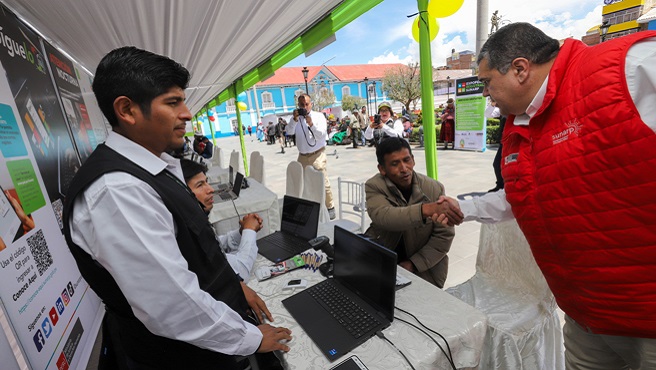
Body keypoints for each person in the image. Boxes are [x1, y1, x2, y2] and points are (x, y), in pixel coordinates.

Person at [436, 23, 656, 369]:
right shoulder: (519, 123)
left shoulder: (627, 67)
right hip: (585, 317)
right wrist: (465, 207)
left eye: (487, 82)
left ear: (520, 69)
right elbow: (523, 194)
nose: (485, 94)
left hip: (647, 321)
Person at [62, 46, 291, 369]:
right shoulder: (117, 191)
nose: (187, 113)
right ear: (127, 110)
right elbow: (172, 305)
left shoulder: (153, 167)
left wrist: (235, 287)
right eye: (172, 102)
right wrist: (251, 338)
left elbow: (192, 251)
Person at [364, 138, 458, 288]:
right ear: (382, 169)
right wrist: (425, 210)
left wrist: (413, 264)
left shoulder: (434, 188)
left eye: (407, 160)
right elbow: (384, 217)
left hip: (425, 269)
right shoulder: (375, 186)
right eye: (395, 164)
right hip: (384, 263)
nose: (404, 169)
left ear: (413, 160)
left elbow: (443, 236)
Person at [180, 159, 260, 281]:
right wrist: (250, 230)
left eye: (207, 182)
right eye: (200, 185)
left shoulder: (192, 222)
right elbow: (241, 270)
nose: (211, 189)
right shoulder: (186, 233)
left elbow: (216, 244)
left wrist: (241, 232)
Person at [286, 93, 336, 219]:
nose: (305, 107)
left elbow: (321, 135)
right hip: (302, 156)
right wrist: (294, 120)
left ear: (311, 104)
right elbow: (289, 132)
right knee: (302, 183)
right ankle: (309, 207)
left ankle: (330, 206)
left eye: (307, 104)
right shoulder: (296, 119)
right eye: (302, 105)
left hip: (317, 154)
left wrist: (311, 124)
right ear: (298, 105)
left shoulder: (318, 116)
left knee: (323, 182)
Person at [484, 99, 505, 192]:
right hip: (504, 142)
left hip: (516, 142)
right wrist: (493, 104)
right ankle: (500, 186)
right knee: (497, 164)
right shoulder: (503, 109)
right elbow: (488, 114)